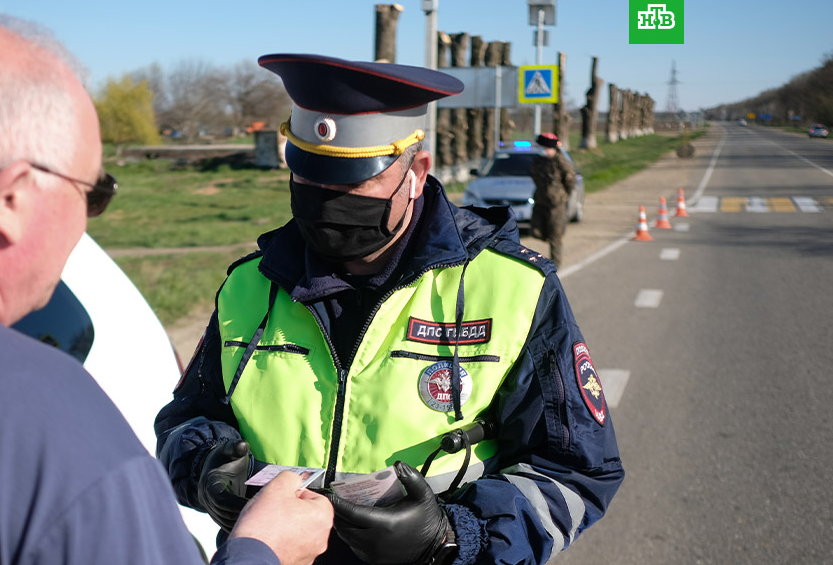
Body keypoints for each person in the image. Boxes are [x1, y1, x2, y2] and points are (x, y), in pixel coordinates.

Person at [0, 13, 332, 565]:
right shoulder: (37, 421)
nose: (87, 221)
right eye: (92, 193)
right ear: (11, 199)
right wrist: (264, 550)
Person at [155, 53, 624, 565]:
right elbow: (185, 421)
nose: (326, 200)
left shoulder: (515, 288)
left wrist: (453, 536)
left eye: (352, 182)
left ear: (416, 173)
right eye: (310, 177)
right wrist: (205, 466)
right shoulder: (248, 285)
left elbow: (575, 473)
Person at [529, 132, 577, 266]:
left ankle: (555, 265)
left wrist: (562, 195)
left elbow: (570, 180)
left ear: (551, 148)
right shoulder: (538, 161)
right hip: (540, 201)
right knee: (536, 231)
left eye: (544, 147)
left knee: (555, 236)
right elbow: (534, 176)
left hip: (556, 204)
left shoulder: (561, 162)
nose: (542, 150)